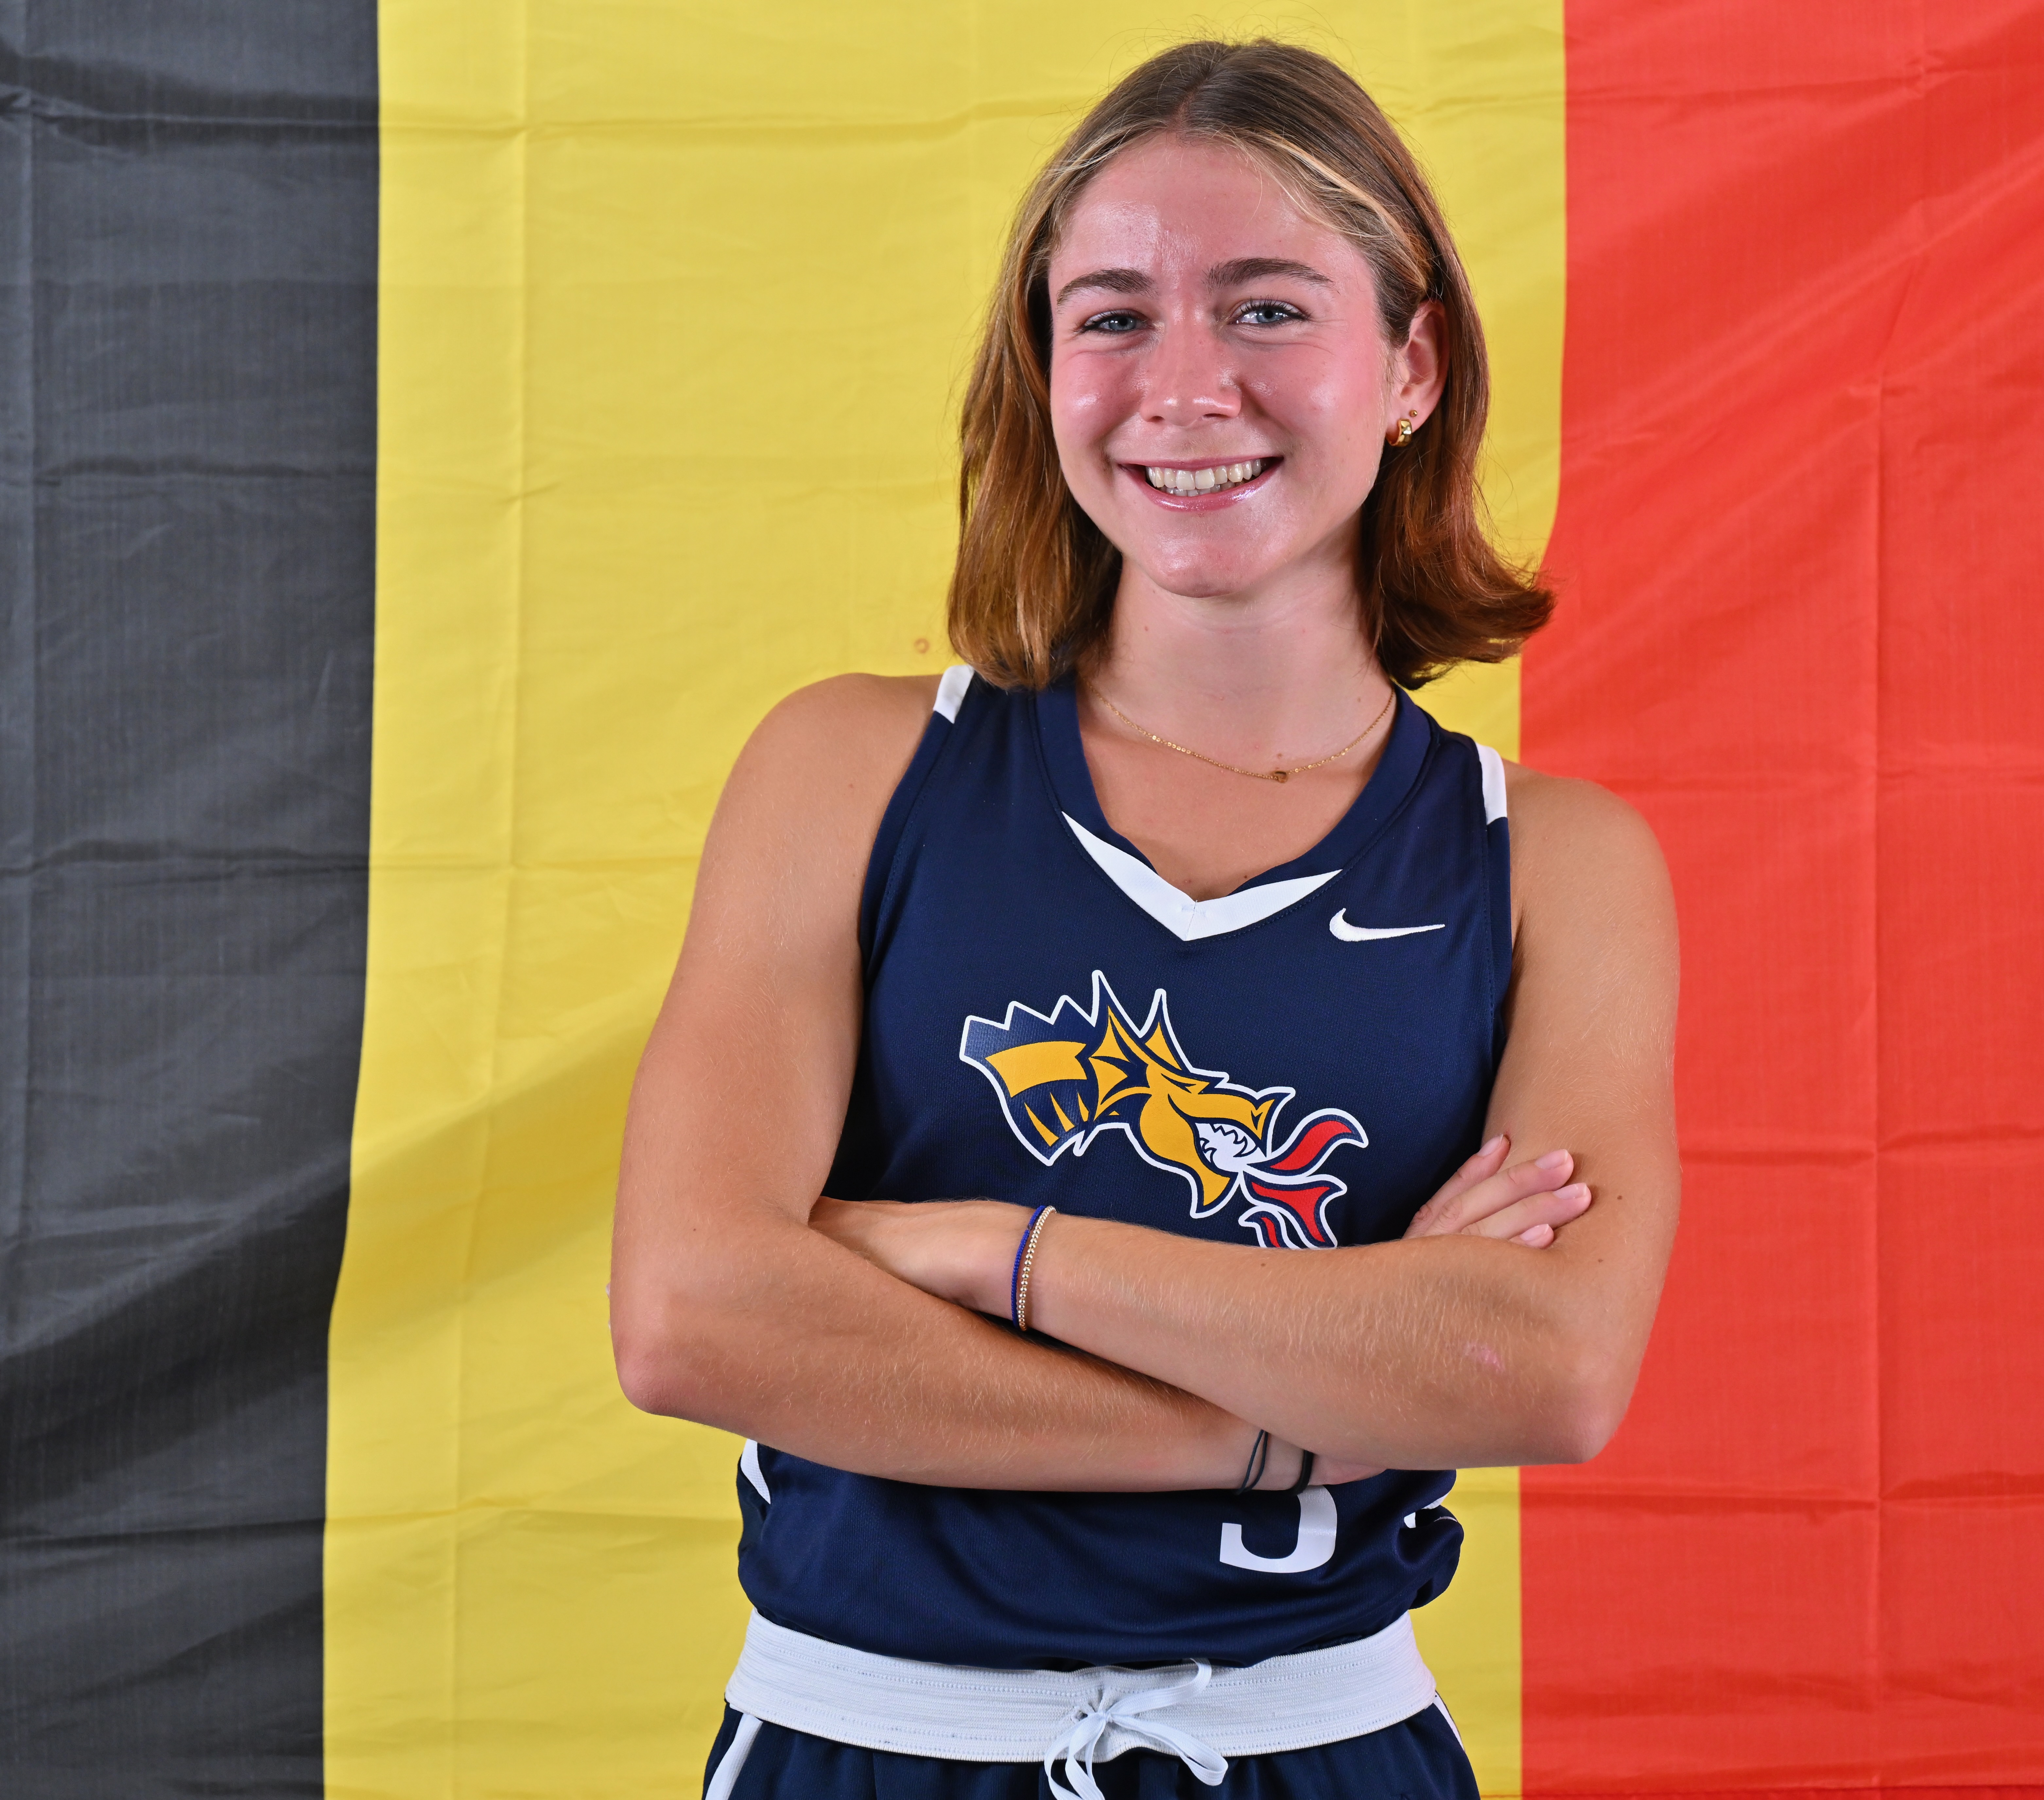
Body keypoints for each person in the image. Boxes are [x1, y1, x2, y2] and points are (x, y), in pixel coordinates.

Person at [611, 37, 1678, 1800]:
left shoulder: (1552, 859)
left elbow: (1540, 1368)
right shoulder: (854, 768)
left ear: (1409, 365)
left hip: (1322, 1750)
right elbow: (695, 1318)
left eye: (1266, 309)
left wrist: (982, 1251)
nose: (1183, 387)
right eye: (1112, 317)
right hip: (867, 1747)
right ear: (1044, 371)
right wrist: (1290, 1414)